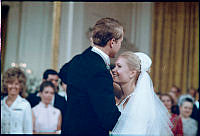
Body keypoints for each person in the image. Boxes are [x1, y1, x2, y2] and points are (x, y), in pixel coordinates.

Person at [59, 17, 124, 136]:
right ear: (112, 42)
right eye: (120, 42)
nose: (120, 46)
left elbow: (62, 73)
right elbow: (109, 119)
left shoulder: (78, 60)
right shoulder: (100, 71)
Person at [111, 51, 173, 135]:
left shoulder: (139, 102)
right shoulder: (125, 96)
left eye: (119, 66)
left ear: (132, 73)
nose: (114, 70)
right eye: (115, 66)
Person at [1, 67, 32, 134]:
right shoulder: (1, 104)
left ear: (21, 86)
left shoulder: (25, 105)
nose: (13, 86)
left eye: (16, 84)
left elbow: (28, 131)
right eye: (10, 83)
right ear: (5, 84)